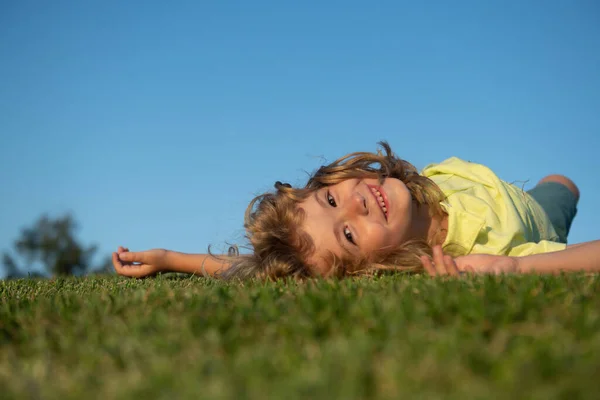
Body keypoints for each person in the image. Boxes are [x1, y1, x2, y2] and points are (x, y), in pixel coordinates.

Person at [113, 142, 597, 280]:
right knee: (563, 188)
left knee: (556, 177)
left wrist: (170, 258)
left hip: (497, 187)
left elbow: (259, 267)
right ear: (374, 266)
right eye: (348, 236)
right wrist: (512, 267)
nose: (355, 204)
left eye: (329, 199)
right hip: (537, 217)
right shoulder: (475, 251)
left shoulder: (411, 187)